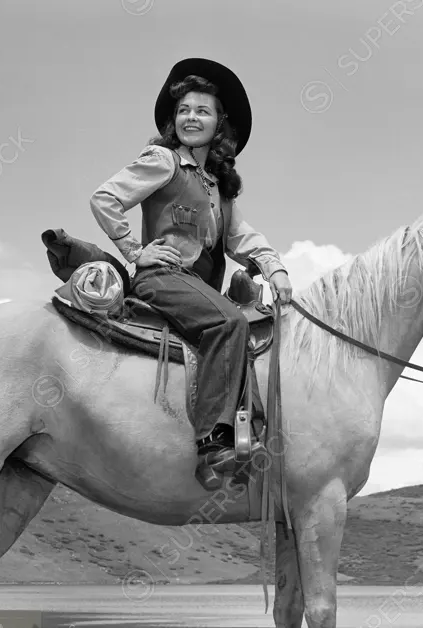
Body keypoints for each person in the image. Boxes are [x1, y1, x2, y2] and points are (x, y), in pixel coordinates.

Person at [90, 57, 293, 490]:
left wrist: (275, 268)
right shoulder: (163, 161)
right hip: (162, 278)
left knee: (247, 322)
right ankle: (213, 442)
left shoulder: (216, 185)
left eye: (202, 110)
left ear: (220, 124)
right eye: (183, 110)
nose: (190, 117)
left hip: (196, 287)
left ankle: (247, 435)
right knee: (228, 320)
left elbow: (242, 237)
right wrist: (134, 251)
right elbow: (105, 198)